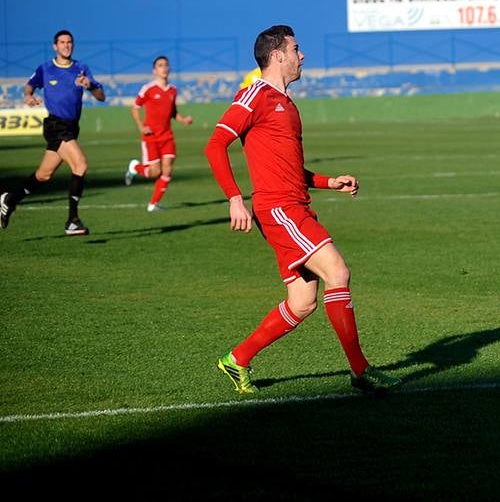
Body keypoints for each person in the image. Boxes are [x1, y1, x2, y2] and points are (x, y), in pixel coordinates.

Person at [204, 24, 401, 395]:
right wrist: (234, 198)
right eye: (296, 48)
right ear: (278, 55)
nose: (302, 54)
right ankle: (361, 371)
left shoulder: (287, 104)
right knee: (338, 271)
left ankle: (237, 359)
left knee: (302, 302)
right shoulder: (254, 96)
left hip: (294, 206)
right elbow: (215, 145)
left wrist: (330, 182)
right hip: (279, 210)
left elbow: (290, 168)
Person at [0, 29, 105, 236]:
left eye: (69, 42)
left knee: (44, 175)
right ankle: (72, 221)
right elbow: (29, 87)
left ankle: (9, 200)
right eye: (62, 42)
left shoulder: (81, 69)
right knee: (81, 164)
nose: (66, 45)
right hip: (56, 126)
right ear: (55, 46)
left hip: (71, 127)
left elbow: (101, 96)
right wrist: (28, 97)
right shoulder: (46, 69)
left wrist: (90, 85)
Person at [124, 55, 194, 211]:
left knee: (168, 168)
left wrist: (183, 120)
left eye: (166, 65)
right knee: (155, 172)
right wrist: (141, 126)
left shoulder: (173, 90)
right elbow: (135, 108)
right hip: (151, 136)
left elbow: (172, 111)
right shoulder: (148, 89)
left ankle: (153, 204)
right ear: (154, 70)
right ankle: (135, 168)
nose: (164, 68)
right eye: (160, 65)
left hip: (167, 136)